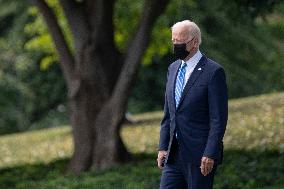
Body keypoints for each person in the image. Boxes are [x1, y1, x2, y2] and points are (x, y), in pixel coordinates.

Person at [157, 20, 228, 189]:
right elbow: (169, 113)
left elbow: (218, 119)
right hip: (173, 155)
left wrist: (210, 152)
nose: (176, 45)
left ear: (194, 42)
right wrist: (162, 146)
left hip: (200, 156)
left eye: (180, 41)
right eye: (173, 41)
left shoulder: (213, 72)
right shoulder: (173, 69)